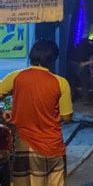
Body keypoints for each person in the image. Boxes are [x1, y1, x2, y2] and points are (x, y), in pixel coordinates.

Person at [0, 39, 73, 186]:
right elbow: (67, 117)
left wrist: (3, 114)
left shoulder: (16, 77)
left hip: (24, 145)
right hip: (53, 147)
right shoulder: (60, 82)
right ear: (52, 59)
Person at [70, 37, 93, 102]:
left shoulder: (79, 45)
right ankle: (85, 99)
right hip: (82, 64)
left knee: (73, 81)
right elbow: (92, 57)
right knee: (84, 83)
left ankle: (71, 96)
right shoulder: (90, 47)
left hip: (73, 62)